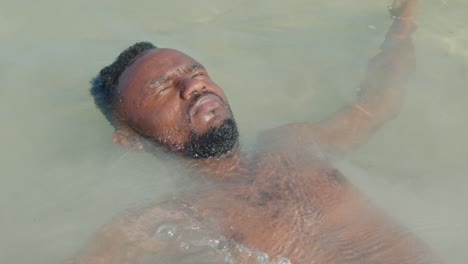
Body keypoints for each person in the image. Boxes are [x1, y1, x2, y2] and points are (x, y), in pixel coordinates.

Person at [69, 0, 442, 263]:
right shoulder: (164, 223)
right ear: (131, 139)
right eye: (162, 89)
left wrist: (406, 19)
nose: (193, 86)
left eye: (196, 72)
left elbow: (378, 103)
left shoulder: (293, 144)